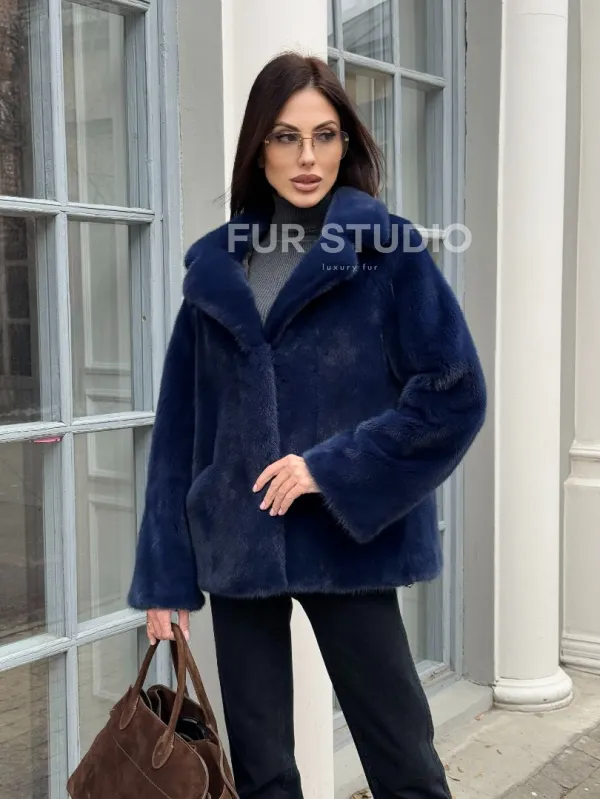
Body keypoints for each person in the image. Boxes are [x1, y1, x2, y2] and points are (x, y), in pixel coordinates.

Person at [128, 51, 486, 799]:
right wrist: (165, 578)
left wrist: (330, 467)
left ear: (345, 142)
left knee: (404, 761)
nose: (308, 158)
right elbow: (180, 429)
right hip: (237, 543)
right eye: (286, 137)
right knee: (264, 773)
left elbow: (453, 393)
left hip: (344, 543)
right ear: (259, 147)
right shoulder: (216, 270)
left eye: (325, 136)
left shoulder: (387, 251)